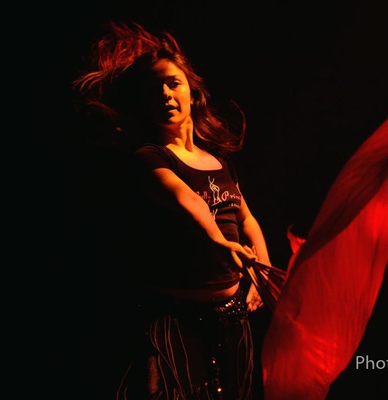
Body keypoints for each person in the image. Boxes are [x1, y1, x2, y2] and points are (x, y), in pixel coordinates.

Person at [72, 21, 272, 400]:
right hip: (177, 321)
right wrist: (219, 241)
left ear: (192, 92)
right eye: (153, 89)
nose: (165, 93)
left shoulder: (218, 162)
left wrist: (261, 265)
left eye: (172, 83)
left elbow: (246, 218)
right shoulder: (150, 158)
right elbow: (188, 200)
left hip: (233, 317)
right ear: (144, 105)